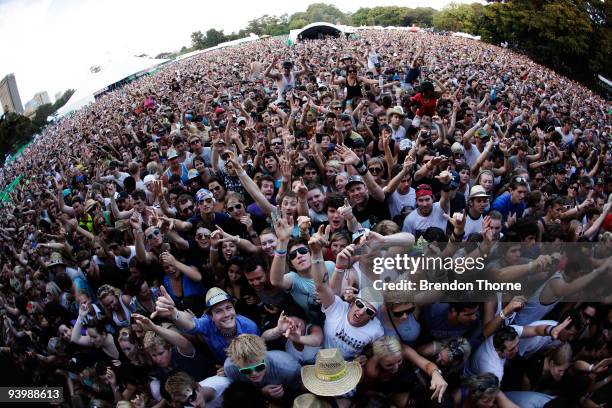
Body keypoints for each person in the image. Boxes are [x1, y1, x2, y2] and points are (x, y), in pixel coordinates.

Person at [153, 286, 259, 365]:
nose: (226, 314)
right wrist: (174, 312)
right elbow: (191, 323)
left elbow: (258, 360)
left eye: (228, 308)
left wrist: (230, 368)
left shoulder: (250, 327)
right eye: (219, 311)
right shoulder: (207, 323)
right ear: (210, 316)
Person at [224, 334, 302, 403]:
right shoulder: (230, 368)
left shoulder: (289, 368)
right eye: (246, 370)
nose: (254, 373)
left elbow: (298, 393)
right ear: (236, 365)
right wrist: (260, 393)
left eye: (259, 367)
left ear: (264, 355)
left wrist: (284, 394)